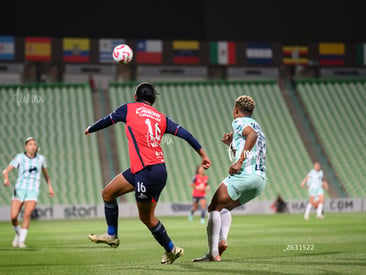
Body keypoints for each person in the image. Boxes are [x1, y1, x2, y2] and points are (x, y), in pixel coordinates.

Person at [84, 82, 211, 264]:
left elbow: (108, 119)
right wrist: (203, 155)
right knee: (108, 193)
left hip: (146, 171)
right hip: (153, 170)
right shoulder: (161, 117)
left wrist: (90, 128)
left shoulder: (128, 108)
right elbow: (186, 134)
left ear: (136, 97)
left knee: (146, 217)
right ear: (154, 100)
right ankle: (111, 235)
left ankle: (171, 249)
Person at [193, 95, 267, 262]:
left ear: (236, 110)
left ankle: (213, 253)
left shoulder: (239, 122)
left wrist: (239, 161)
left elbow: (252, 136)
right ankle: (222, 240)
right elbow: (253, 141)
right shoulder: (258, 126)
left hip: (246, 175)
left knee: (213, 207)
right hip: (260, 180)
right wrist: (232, 145)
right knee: (225, 208)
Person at [2, 137, 54, 248]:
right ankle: (18, 234)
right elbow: (6, 171)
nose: (33, 146)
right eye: (30, 144)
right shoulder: (20, 157)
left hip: (33, 190)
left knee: (27, 214)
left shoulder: (41, 159)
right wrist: (6, 179)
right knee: (13, 216)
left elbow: (46, 174)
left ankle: (21, 241)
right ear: (26, 146)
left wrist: (50, 187)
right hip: (19, 189)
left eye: (34, 144)